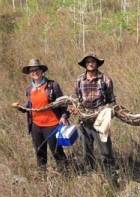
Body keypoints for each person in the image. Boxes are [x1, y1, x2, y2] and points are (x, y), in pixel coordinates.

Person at [12, 59, 69, 175]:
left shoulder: (52, 85)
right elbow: (30, 107)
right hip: (36, 126)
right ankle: (42, 175)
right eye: (31, 70)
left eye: (37, 69)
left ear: (42, 71)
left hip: (52, 124)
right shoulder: (29, 89)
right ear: (29, 73)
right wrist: (20, 107)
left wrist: (64, 116)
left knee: (57, 151)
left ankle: (66, 175)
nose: (34, 72)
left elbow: (63, 103)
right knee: (39, 151)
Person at [74, 53, 118, 187]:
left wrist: (107, 112)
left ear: (97, 63)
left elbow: (112, 101)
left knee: (105, 151)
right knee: (87, 151)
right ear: (85, 64)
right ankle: (91, 179)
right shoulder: (79, 80)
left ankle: (111, 179)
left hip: (101, 121)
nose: (90, 63)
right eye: (88, 61)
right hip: (84, 120)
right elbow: (75, 98)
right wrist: (74, 108)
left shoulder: (105, 79)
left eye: (93, 61)